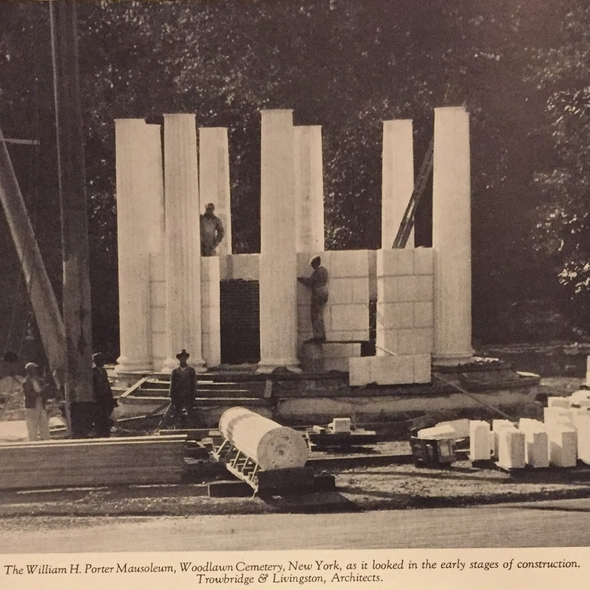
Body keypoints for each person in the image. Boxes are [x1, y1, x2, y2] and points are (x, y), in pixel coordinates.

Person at [298, 255, 329, 343]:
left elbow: (310, 282)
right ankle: (321, 335)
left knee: (316, 314)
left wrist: (300, 279)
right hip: (324, 291)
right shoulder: (324, 270)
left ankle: (319, 336)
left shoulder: (317, 271)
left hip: (318, 293)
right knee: (320, 313)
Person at [169, 349, 197, 427]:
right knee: (177, 413)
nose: (183, 359)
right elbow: (172, 384)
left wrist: (194, 394)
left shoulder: (191, 370)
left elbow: (194, 383)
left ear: (186, 358)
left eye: (184, 357)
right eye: (181, 357)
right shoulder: (175, 371)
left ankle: (191, 428)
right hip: (178, 395)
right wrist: (171, 396)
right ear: (179, 359)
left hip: (188, 394)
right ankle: (177, 428)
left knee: (190, 412)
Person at [22, 362, 50, 441]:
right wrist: (42, 391)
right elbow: (30, 395)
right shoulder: (26, 382)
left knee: (44, 424)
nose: (34, 371)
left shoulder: (39, 380)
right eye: (32, 369)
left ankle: (46, 440)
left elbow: (45, 392)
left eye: (35, 369)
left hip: (41, 405)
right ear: (28, 371)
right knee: (32, 426)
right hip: (32, 406)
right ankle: (33, 441)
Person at [92, 352, 117, 437]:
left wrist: (111, 397)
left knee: (106, 414)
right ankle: (100, 431)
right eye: (100, 360)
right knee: (99, 415)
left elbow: (106, 384)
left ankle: (105, 430)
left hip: (105, 396)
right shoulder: (93, 372)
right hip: (98, 397)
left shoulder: (103, 371)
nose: (102, 362)